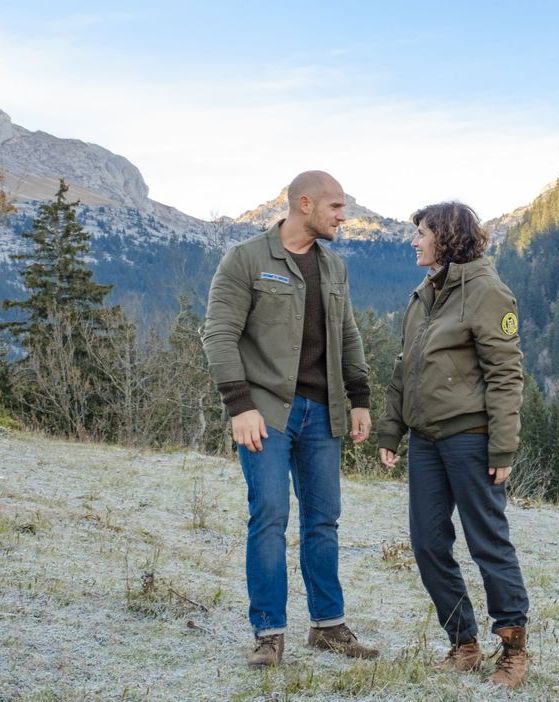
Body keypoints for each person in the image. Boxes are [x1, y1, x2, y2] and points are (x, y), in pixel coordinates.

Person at [202, 170, 378, 667]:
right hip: (265, 413)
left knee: (323, 521)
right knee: (270, 517)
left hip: (323, 415)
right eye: (337, 208)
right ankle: (268, 635)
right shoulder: (248, 259)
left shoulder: (334, 266)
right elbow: (218, 334)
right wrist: (239, 405)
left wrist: (359, 397)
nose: (344, 216)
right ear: (305, 204)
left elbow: (349, 335)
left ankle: (327, 627)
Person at [377, 202, 529, 689]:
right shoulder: (425, 294)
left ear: (445, 237)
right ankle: (463, 643)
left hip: (470, 439)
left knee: (487, 542)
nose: (414, 240)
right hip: (425, 441)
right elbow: (406, 369)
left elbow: (506, 374)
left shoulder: (486, 292)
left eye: (421, 232)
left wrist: (502, 447)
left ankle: (512, 649)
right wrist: (391, 430)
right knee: (426, 543)